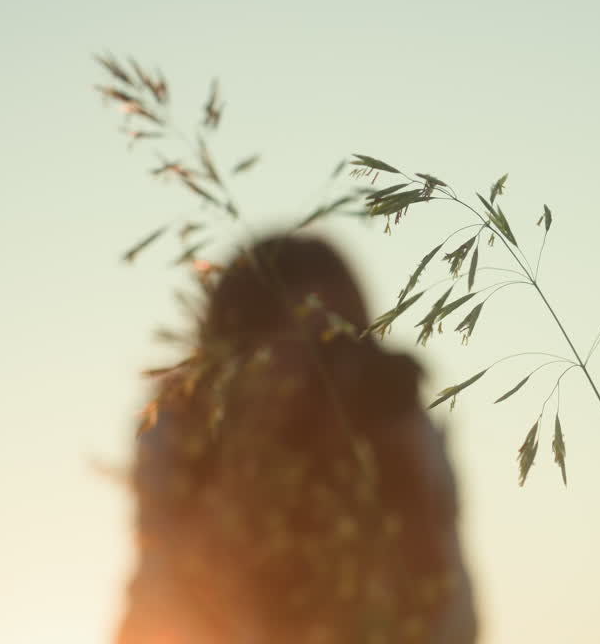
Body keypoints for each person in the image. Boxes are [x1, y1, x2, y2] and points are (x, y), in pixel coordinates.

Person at [116, 235, 477, 644]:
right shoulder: (186, 438)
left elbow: (451, 619)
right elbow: (164, 604)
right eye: (304, 342)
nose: (327, 370)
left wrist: (396, 465)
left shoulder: (395, 432)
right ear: (237, 357)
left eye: (343, 340)